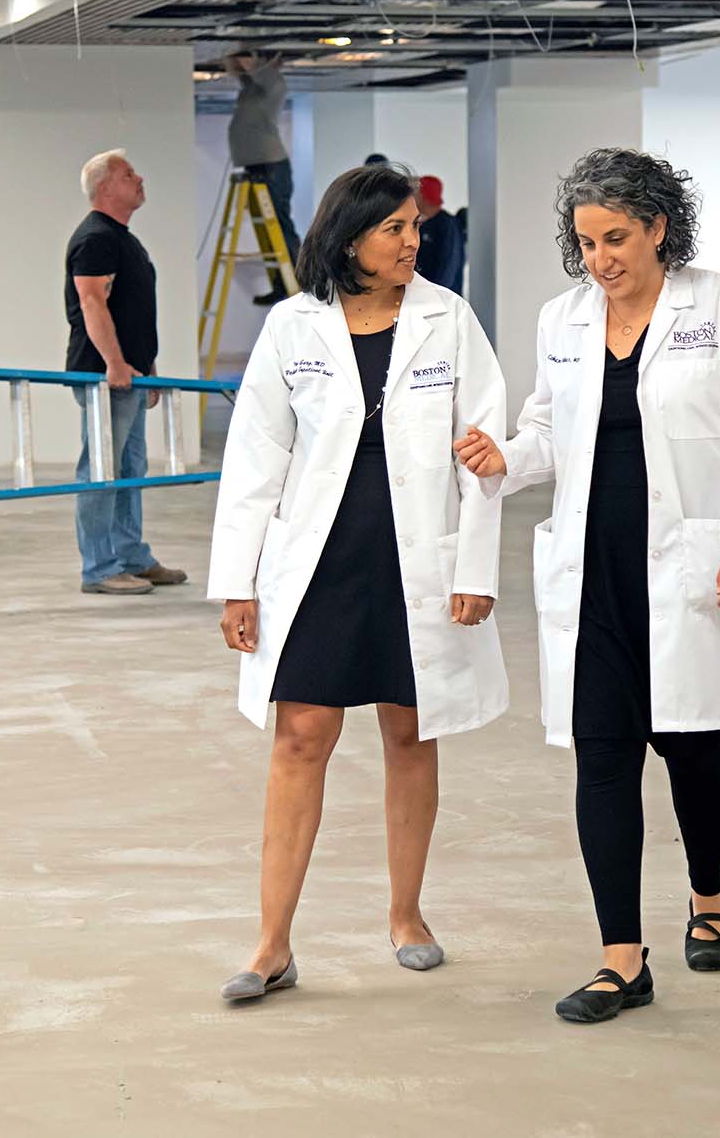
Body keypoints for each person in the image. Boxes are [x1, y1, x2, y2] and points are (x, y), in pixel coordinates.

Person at [454, 148, 720, 1024]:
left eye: (616, 238)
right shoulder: (562, 320)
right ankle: (621, 960)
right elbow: (544, 429)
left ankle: (709, 895)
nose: (600, 258)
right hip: (593, 574)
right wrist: (507, 457)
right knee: (603, 759)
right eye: (586, 242)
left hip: (688, 567)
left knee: (690, 742)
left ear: (657, 228)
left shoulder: (717, 305)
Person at [208, 163, 509, 1003]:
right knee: (300, 735)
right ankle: (271, 944)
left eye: (416, 227)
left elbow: (484, 454)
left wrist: (475, 568)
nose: (415, 241)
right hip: (319, 561)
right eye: (396, 230)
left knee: (411, 733)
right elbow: (255, 459)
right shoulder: (292, 327)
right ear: (349, 241)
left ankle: (407, 914)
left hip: (417, 556)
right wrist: (239, 582)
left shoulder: (448, 320)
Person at [64, 149, 188, 596]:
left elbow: (130, 310)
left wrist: (145, 363)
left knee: (129, 468)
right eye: (128, 174)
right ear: (105, 187)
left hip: (129, 375)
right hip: (104, 377)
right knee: (101, 470)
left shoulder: (123, 238)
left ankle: (131, 555)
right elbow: (92, 302)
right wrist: (115, 363)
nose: (139, 178)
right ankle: (99, 567)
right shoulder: (96, 237)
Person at [225, 51, 303, 306]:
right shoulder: (253, 89)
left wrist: (253, 59)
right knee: (271, 234)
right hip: (257, 166)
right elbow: (239, 69)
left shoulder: (275, 84)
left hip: (271, 166)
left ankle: (300, 280)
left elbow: (254, 68)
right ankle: (281, 283)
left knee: (280, 226)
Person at [414, 175, 466, 296]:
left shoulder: (448, 225)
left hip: (442, 302)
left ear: (423, 196)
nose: (413, 197)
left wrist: (431, 297)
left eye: (416, 193)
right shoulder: (422, 225)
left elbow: (447, 271)